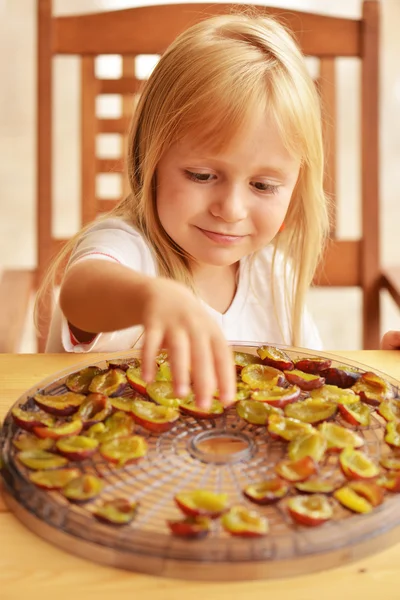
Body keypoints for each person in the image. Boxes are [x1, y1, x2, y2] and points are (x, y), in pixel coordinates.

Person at [35, 12, 397, 411]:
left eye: (262, 185)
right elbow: (80, 293)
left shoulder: (273, 274)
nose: (231, 209)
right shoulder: (126, 249)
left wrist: (373, 370)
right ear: (148, 158)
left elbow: (309, 397)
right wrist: (151, 297)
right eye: (202, 175)